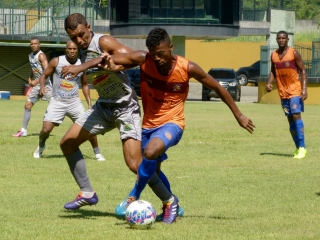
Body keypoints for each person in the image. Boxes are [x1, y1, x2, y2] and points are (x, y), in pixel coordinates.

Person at [100, 27, 255, 224]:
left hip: (173, 124)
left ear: (171, 47)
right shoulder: (144, 59)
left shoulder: (187, 68)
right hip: (148, 125)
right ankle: (173, 203)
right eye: (153, 54)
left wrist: (239, 115)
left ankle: (133, 195)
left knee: (149, 152)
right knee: (152, 172)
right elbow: (114, 60)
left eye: (161, 53)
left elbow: (216, 86)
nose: (156, 58)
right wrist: (107, 63)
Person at [60, 14, 183, 220]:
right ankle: (88, 192)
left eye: (82, 35)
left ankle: (170, 201)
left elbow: (138, 56)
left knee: (135, 164)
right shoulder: (81, 50)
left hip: (126, 107)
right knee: (67, 143)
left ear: (89, 27)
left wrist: (112, 64)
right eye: (74, 37)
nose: (79, 41)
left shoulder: (103, 41)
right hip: (103, 107)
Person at [33, 40, 105, 161]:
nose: (72, 51)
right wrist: (41, 87)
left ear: (78, 50)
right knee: (46, 130)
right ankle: (41, 146)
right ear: (66, 49)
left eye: (74, 49)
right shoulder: (57, 61)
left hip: (74, 102)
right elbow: (44, 75)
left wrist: (88, 102)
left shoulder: (81, 64)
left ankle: (97, 152)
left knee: (89, 126)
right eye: (70, 49)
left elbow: (85, 84)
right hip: (57, 101)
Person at [266, 30, 308, 159]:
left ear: (287, 39)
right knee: (290, 119)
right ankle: (297, 148)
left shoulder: (294, 53)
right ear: (276, 40)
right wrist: (269, 83)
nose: (281, 40)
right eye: (279, 38)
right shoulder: (273, 55)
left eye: (283, 38)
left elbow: (303, 71)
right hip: (282, 92)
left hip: (295, 89)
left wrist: (304, 89)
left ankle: (302, 147)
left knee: (296, 115)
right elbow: (273, 71)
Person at [13, 37, 52, 137]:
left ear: (39, 45)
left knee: (55, 106)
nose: (33, 45)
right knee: (27, 105)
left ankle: (77, 123)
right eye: (31, 44)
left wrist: (36, 81)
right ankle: (24, 130)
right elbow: (34, 68)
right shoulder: (30, 55)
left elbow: (47, 72)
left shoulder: (42, 56)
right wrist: (30, 77)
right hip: (37, 85)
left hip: (46, 84)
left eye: (35, 43)